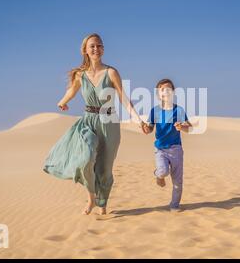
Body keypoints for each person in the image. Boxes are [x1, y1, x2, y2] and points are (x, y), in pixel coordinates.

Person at [43, 33, 145, 215]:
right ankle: (91, 198)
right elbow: (71, 92)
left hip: (109, 122)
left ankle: (102, 202)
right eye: (92, 46)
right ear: (85, 50)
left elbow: (123, 98)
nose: (96, 49)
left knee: (104, 168)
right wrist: (62, 101)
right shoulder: (80, 75)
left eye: (99, 45)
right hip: (88, 121)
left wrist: (137, 119)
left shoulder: (111, 72)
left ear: (103, 49)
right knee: (86, 159)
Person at [142, 78, 192, 211]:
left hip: (176, 149)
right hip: (160, 149)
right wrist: (146, 129)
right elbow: (150, 128)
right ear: (158, 93)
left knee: (177, 182)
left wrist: (182, 126)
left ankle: (174, 205)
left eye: (169, 89)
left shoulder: (179, 110)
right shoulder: (154, 111)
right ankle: (158, 175)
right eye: (163, 89)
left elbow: (189, 127)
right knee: (163, 171)